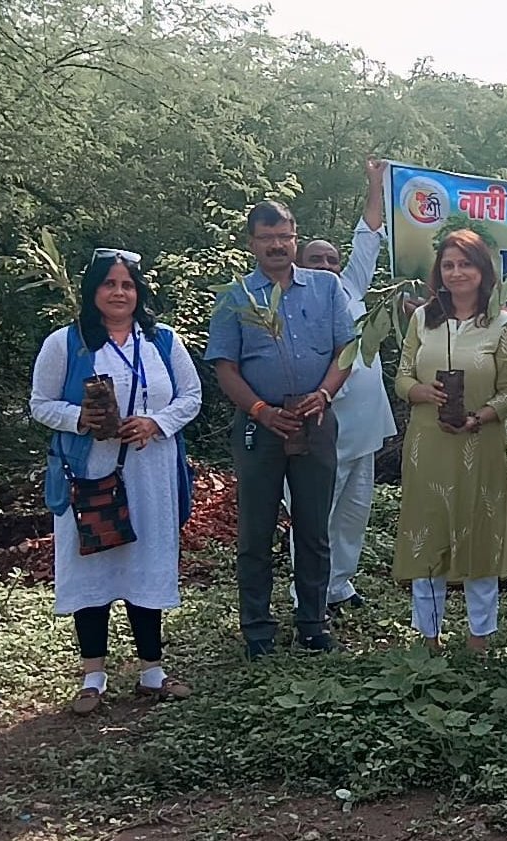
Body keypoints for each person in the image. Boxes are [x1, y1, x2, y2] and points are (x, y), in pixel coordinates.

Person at [31, 248, 202, 713]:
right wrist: (80, 418)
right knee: (93, 565)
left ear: (138, 292)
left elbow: (191, 396)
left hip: (152, 473)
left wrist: (155, 423)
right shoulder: (66, 343)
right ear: (93, 291)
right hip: (89, 475)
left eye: (127, 285)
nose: (119, 292)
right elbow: (41, 404)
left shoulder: (162, 341)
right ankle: (93, 678)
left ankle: (152, 672)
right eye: (110, 284)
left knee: (146, 563)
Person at [206, 201, 355, 658]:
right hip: (260, 426)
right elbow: (225, 367)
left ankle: (312, 624)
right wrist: (259, 410)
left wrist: (325, 394)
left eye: (285, 236)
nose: (277, 245)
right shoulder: (236, 297)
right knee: (256, 530)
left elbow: (345, 349)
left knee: (313, 527)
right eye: (267, 237)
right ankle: (257, 631)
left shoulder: (327, 288)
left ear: (295, 238)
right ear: (252, 243)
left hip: (314, 421)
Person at [393, 229, 507, 651]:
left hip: (479, 442)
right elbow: (402, 377)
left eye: (465, 264)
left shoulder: (504, 326)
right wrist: (421, 392)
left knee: (479, 533)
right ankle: (428, 637)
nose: (457, 273)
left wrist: (479, 417)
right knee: (427, 533)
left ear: (483, 270)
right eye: (448, 265)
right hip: (427, 443)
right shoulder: (421, 319)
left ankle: (480, 637)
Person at [287, 157, 398, 613]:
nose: (329, 265)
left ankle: (340, 587)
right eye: (317, 259)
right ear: (299, 263)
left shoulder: (349, 291)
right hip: (318, 430)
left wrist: (376, 183)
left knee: (353, 515)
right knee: (314, 517)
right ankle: (305, 596)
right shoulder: (288, 301)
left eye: (333, 259)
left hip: (364, 427)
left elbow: (367, 238)